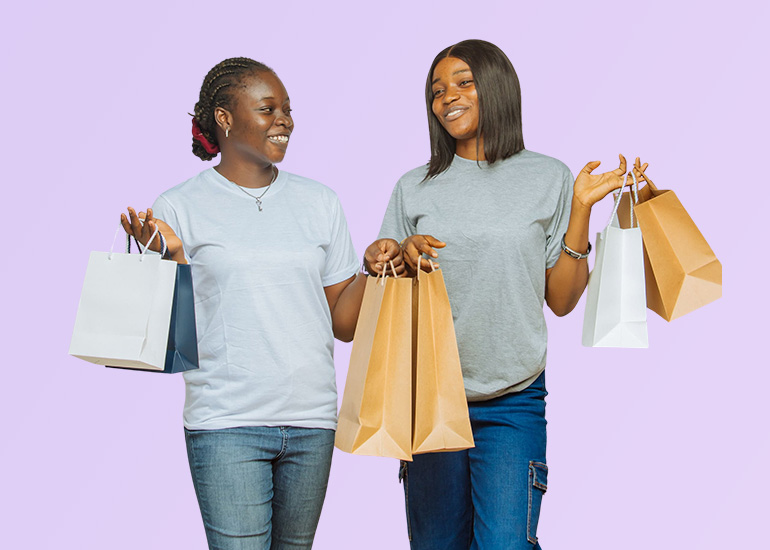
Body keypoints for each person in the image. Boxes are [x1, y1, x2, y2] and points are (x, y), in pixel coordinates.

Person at [373, 40, 647, 550]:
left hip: (512, 400)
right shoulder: (414, 187)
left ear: (497, 86)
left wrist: (582, 208)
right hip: (430, 400)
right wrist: (400, 254)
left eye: (462, 82)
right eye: (437, 90)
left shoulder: (550, 177)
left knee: (506, 544)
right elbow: (387, 288)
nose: (447, 97)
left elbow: (561, 300)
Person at [121, 57, 400, 550]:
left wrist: (370, 272)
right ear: (225, 119)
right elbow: (171, 344)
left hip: (311, 421)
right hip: (227, 423)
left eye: (288, 110)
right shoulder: (178, 206)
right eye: (269, 109)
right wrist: (175, 261)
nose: (285, 121)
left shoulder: (320, 201)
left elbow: (344, 322)